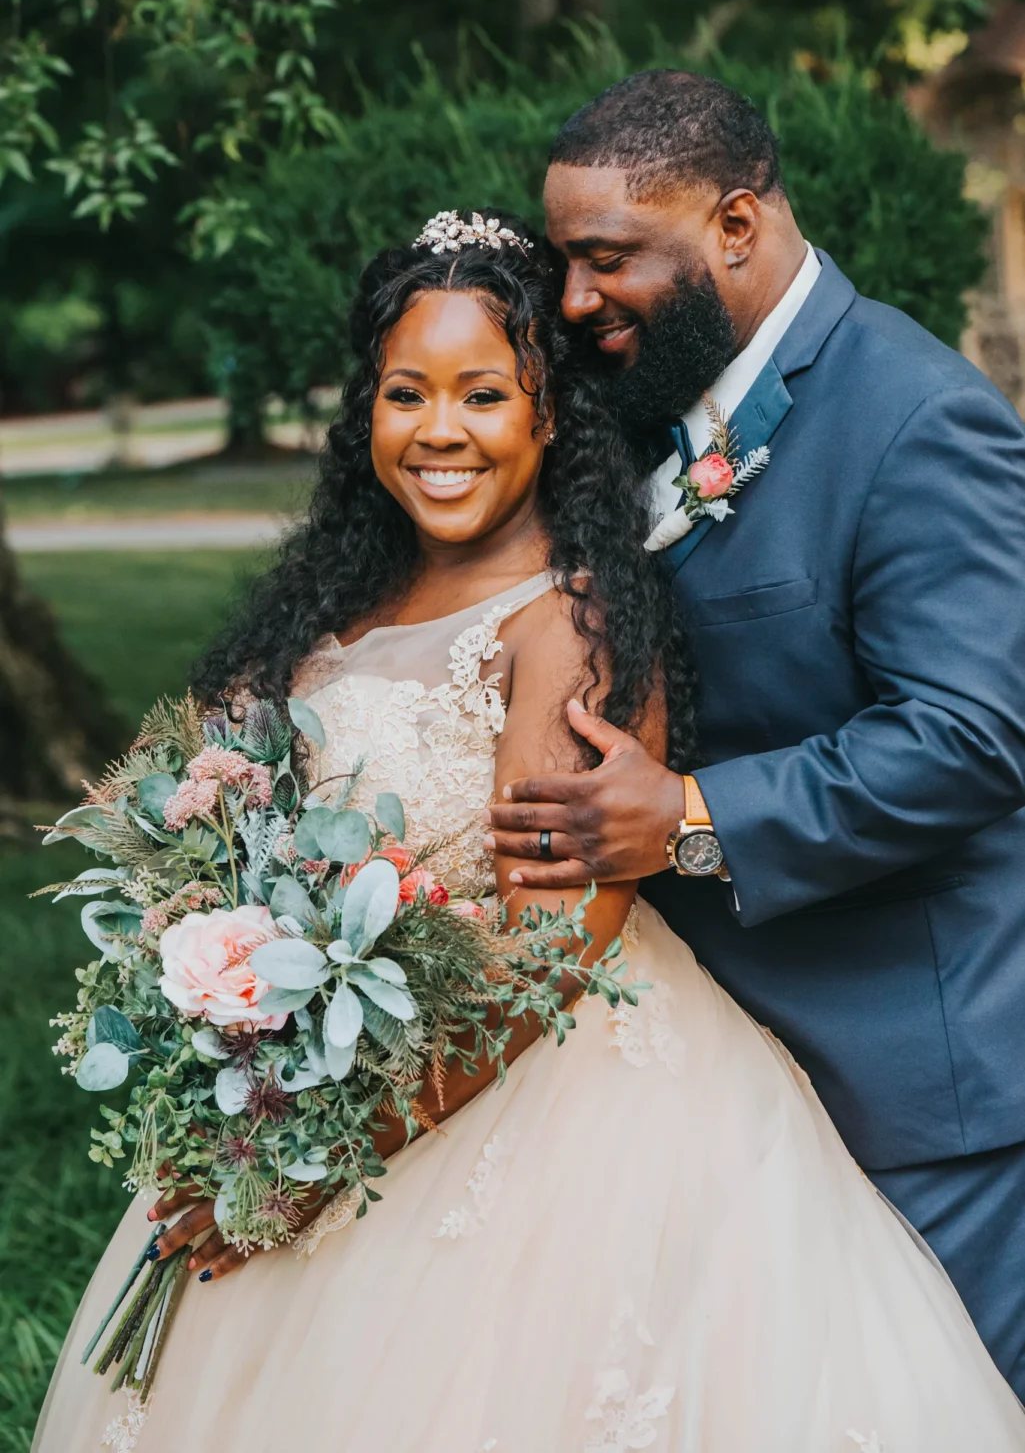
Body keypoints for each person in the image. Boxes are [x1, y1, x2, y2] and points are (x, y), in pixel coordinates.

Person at [34, 210, 1024, 1453]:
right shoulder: (333, 603)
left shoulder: (573, 620)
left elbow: (558, 940)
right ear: (366, 414)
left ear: (547, 414)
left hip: (538, 1094)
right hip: (314, 1086)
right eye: (406, 393)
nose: (439, 431)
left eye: (482, 394)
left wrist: (330, 1160)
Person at [485, 69, 1025, 1396]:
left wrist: (691, 817)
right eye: (563, 261)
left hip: (911, 1083)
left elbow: (974, 734)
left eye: (608, 259)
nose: (572, 302)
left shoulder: (915, 420)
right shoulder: (660, 398)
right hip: (720, 1072)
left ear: (736, 224)